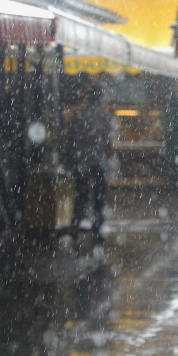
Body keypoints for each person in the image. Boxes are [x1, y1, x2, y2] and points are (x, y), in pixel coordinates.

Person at [66, 80, 112, 243]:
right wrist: (108, 157)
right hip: (99, 161)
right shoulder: (104, 116)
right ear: (100, 98)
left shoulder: (78, 116)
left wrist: (71, 159)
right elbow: (108, 142)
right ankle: (97, 229)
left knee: (81, 194)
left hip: (82, 161)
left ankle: (76, 224)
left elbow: (71, 140)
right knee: (99, 197)